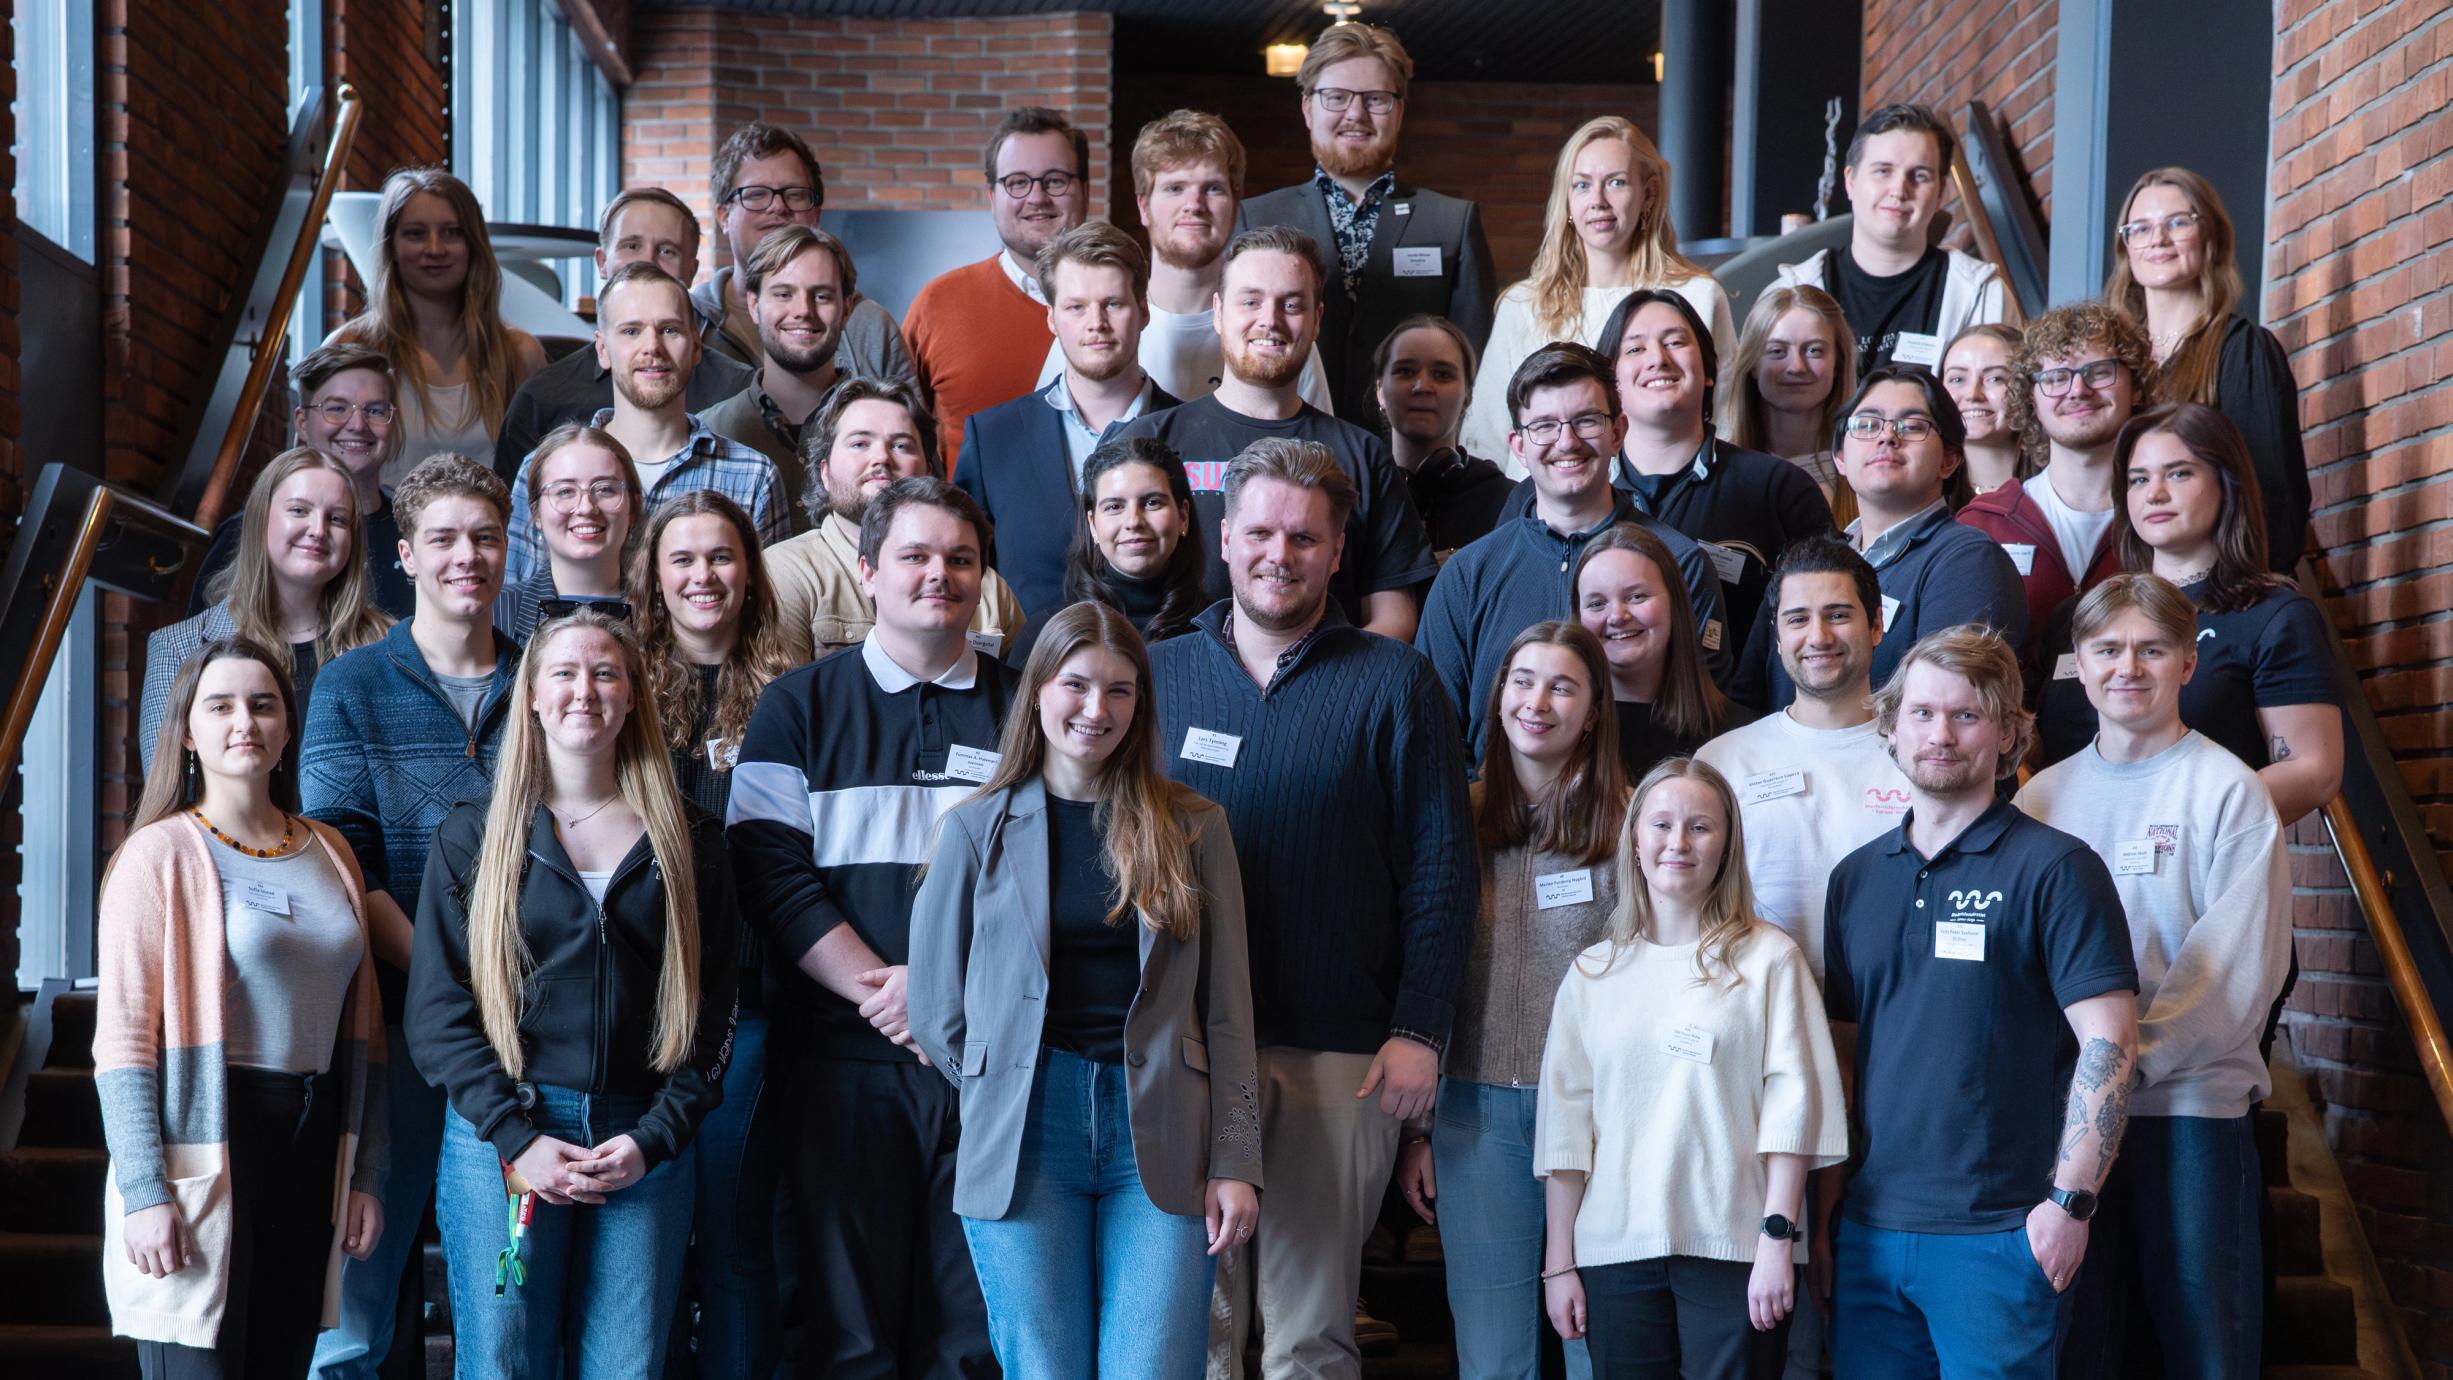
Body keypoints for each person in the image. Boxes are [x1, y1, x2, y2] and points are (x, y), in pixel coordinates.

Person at [1150, 438, 1474, 1379]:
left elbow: (1440, 871)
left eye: (1303, 538)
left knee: (1309, 1336)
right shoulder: (1156, 675)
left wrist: (1418, 1030)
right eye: (1259, 532)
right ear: (1223, 537)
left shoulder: (1396, 682)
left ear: (1337, 553)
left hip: (1338, 1058)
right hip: (1185, 1056)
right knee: (1195, 1335)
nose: (1277, 555)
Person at [906, 600, 1263, 1378]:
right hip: (1027, 1137)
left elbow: (1228, 1013)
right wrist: (1000, 1082)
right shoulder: (973, 828)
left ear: (1139, 705)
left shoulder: (1194, 827)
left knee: (1151, 1366)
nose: (1095, 710)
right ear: (1037, 690)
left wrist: (1236, 1158)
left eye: (1118, 690)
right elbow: (934, 1010)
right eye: (1076, 685)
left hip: (1162, 1132)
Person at [728, 477, 1016, 1378]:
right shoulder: (795, 707)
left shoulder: (1029, 711)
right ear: (866, 571)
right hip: (838, 1061)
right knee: (845, 1333)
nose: (940, 574)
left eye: (960, 559)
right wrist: (895, 998)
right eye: (915, 556)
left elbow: (1042, 882)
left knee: (972, 1335)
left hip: (988, 1060)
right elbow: (770, 875)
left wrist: (944, 1001)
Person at [410, 609, 739, 1379]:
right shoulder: (474, 836)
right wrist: (516, 1137)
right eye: (563, 672)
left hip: (640, 1141)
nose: (583, 691)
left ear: (632, 696)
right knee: (503, 1364)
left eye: (604, 673)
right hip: (506, 1139)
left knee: (627, 1366)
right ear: (530, 694)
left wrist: (655, 1138)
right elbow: (436, 1013)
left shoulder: (693, 841)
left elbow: (714, 1013)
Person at [1818, 627, 2141, 1379]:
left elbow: (2111, 1042)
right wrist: (1828, 1217)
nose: (1940, 734)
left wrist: (2069, 1204)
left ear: (2004, 734)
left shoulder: (2056, 868)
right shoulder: (1854, 880)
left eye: (1966, 715)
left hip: (2000, 1233)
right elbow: (1843, 1057)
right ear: (1891, 728)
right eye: (1922, 713)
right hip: (1869, 1233)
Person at [2014, 573, 2292, 1380]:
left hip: (2189, 1114)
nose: (2127, 667)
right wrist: (2080, 1091)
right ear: (2078, 663)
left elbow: (2235, 975)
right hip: (2068, 1126)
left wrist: (2118, 1070)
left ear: (2186, 663)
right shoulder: (2040, 799)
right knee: (2078, 1348)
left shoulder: (2229, 792)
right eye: (2106, 649)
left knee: (2207, 1349)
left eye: (2151, 649)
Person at [100, 639, 386, 1380]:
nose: (244, 722)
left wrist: (365, 1175)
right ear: (187, 733)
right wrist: (143, 1191)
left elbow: (367, 1035)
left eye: (263, 705)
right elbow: (124, 1043)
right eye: (220, 706)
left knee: (284, 1362)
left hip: (315, 1132)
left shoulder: (332, 852)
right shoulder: (157, 855)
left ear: (288, 729)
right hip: (212, 1129)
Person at [304, 454, 522, 1380]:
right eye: (444, 539)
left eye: (485, 537)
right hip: (390, 1029)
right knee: (353, 1314)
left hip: (522, 1036)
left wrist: (501, 996)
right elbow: (345, 861)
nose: (466, 556)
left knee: (505, 1314)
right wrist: (456, 981)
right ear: (406, 555)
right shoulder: (350, 684)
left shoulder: (548, 678)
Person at [1537, 757, 1846, 1379]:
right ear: (1635, 839)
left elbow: (1793, 1114)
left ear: (1727, 845)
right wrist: (1559, 1263)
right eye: (1662, 824)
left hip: (1737, 1250)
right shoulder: (1592, 974)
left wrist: (1776, 1239)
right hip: (1614, 1252)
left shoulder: (1769, 960)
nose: (1678, 842)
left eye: (1700, 827)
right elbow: (1565, 1134)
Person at [1394, 620, 1628, 1380]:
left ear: (1592, 711)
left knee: (1598, 1348)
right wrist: (1417, 1132)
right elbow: (1421, 971)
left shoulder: (1633, 824)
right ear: (1497, 697)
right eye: (1522, 682)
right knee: (1493, 1357)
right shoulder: (1450, 818)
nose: (1538, 702)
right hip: (1476, 1111)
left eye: (1563, 687)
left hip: (1601, 1119)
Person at [631, 491, 798, 1380]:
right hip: (639, 1008)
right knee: (642, 1248)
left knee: (736, 1237)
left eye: (722, 557)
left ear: (750, 573)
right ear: (654, 579)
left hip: (754, 1006)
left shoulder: (794, 691)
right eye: (683, 559)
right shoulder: (618, 685)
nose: (704, 576)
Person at [1116, 225, 1439, 641]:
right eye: (1251, 301)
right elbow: (1104, 600)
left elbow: (1395, 617)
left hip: (1325, 680)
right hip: (1173, 679)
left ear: (1316, 319)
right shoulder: (1147, 444)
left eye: (1291, 304)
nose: (1269, 320)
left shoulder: (1363, 455)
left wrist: (1314, 675)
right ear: (1218, 311)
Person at [1421, 343, 1733, 765]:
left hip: (1637, 801)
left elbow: (1704, 728)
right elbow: (1432, 733)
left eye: (1586, 421)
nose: (1567, 442)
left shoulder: (1680, 564)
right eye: (1544, 426)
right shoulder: (1467, 575)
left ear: (1617, 432)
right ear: (1518, 446)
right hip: (1492, 805)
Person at [2030, 403, 2343, 822]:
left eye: (2178, 474)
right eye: (2139, 479)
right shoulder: (2080, 615)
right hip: (2067, 849)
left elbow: (2313, 770)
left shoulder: (2274, 616)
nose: (2155, 493)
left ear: (2226, 483)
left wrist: (2172, 824)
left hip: (2196, 848)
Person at [1237, 22, 1497, 419]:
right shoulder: (1255, 218)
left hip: (1411, 442)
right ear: (1307, 109)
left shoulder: (1453, 223)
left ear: (1399, 111)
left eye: (1376, 99)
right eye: (1336, 97)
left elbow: (1475, 361)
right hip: (1284, 439)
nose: (1356, 114)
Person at [1732, 368, 2027, 711]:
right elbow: (1747, 701)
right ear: (1840, 457)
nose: (1887, 436)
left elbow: (1948, 714)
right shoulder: (1805, 565)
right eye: (1867, 424)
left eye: (1912, 426)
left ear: (1948, 460)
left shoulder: (1969, 562)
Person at [1695, 535, 1909, 983]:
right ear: (1776, 637)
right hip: (1760, 1003)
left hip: (1893, 1004)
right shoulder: (1722, 762)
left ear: (1876, 625)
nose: (1818, 636)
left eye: (1838, 615)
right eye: (1798, 619)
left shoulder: (1921, 757)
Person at [1464, 115, 1733, 465]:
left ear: (1649, 193)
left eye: (1616, 182)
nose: (1598, 200)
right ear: (1566, 200)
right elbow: (1486, 438)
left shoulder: (1697, 297)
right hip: (1540, 495)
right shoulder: (1523, 305)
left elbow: (1728, 420)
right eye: (1582, 185)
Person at [504, 262, 786, 587]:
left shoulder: (753, 476)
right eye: (631, 331)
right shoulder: (544, 471)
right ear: (602, 349)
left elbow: (766, 610)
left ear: (696, 347)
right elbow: (516, 602)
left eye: (669, 330)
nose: (652, 346)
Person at [1581, 288, 1835, 643]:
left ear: (1709, 370)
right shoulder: (1580, 493)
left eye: (1675, 342)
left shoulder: (1779, 488)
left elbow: (1826, 616)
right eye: (1636, 349)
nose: (1658, 359)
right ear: (1612, 383)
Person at [955, 222, 1181, 622]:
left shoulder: (1194, 432)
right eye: (1076, 307)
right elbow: (965, 573)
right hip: (1028, 659)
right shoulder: (993, 438)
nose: (1096, 323)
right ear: (1052, 318)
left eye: (1113, 304)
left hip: (1164, 656)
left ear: (1143, 311)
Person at [2106, 167, 2309, 571]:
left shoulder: (2243, 350)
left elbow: (2273, 494)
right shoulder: (2111, 363)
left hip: (2220, 580)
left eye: (2177, 223)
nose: (2158, 239)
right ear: (2126, 247)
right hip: (2124, 576)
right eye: (2141, 228)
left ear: (2210, 235)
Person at [144, 446, 392, 772]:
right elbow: (166, 787)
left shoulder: (393, 647)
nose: (319, 530)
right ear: (261, 520)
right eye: (299, 510)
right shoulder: (179, 647)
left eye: (336, 518)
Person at [492, 187, 757, 479]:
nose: (647, 261)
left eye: (667, 251)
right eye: (631, 246)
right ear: (602, 262)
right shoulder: (543, 399)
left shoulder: (738, 391)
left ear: (691, 270)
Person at [765, 376, 1027, 664]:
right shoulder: (784, 573)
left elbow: (1024, 688)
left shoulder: (986, 587)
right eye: (860, 444)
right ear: (824, 472)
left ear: (928, 472)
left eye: (901, 446)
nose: (882, 458)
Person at [1960, 302, 2155, 655]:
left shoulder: (2167, 516)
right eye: (2056, 378)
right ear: (2030, 398)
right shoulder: (1982, 526)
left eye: (2099, 372)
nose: (2078, 390)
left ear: (2136, 387)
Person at [331, 166, 546, 485]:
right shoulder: (351, 347)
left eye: (452, 232)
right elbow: (314, 470)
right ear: (391, 246)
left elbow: (542, 477)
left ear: (473, 245)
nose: (435, 249)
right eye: (416, 234)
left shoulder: (518, 353)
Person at [903, 106, 1092, 466]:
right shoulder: (937, 305)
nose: (1037, 197)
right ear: (992, 197)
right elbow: (899, 437)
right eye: (1017, 182)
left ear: (1085, 190)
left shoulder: (1127, 306)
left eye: (1055, 180)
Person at [1773, 102, 2020, 375]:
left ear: (1941, 192)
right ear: (1850, 181)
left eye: (1920, 175)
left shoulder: (1981, 295)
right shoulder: (1788, 294)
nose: (1899, 190)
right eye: (1883, 171)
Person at [1127, 109, 1335, 410]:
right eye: (1175, 188)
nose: (1194, 205)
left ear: (1236, 205)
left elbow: (1318, 437)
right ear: (1143, 206)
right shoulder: (1108, 325)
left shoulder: (1279, 332)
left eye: (1213, 188)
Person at [190, 343, 416, 617]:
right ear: (302, 422)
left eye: (375, 411)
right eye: (336, 408)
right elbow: (202, 637)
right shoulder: (251, 530)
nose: (358, 424)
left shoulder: (415, 529)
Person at [692, 122, 916, 383]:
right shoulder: (686, 322)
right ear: (724, 216)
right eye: (756, 194)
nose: (778, 206)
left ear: (816, 214)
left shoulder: (869, 326)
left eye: (795, 195)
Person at [700, 224, 867, 524]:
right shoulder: (708, 434)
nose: (803, 310)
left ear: (846, 309)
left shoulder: (894, 429)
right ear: (754, 305)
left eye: (822, 296)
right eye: (783, 294)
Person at [1573, 523, 1751, 781]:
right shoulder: (1560, 731)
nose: (1617, 616)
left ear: (1675, 604)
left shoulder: (1741, 734)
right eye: (1597, 603)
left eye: (1636, 596)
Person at [1009, 437, 1207, 665]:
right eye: (1114, 507)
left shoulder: (1222, 631)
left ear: (1183, 516)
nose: (1133, 521)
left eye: (1152, 502)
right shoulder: (1042, 636)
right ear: (1092, 524)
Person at [1375, 314, 1515, 561]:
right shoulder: (1355, 497)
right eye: (1405, 371)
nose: (1422, 386)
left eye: (1442, 374)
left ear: (1468, 396)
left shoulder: (1508, 502)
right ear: (1380, 391)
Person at [1720, 285, 1859, 522]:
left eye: (1814, 350)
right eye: (1777, 351)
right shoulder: (1719, 469)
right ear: (1752, 364)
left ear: (1838, 362)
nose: (1797, 367)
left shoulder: (1866, 465)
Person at [496, 423, 641, 642]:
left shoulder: (666, 612)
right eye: (565, 491)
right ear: (535, 512)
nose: (586, 507)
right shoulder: (494, 611)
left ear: (633, 508)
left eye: (605, 489)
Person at [1942, 323, 2030, 495]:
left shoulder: (2055, 491)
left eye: (1995, 379)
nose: (1973, 394)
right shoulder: (1921, 491)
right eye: (1957, 379)